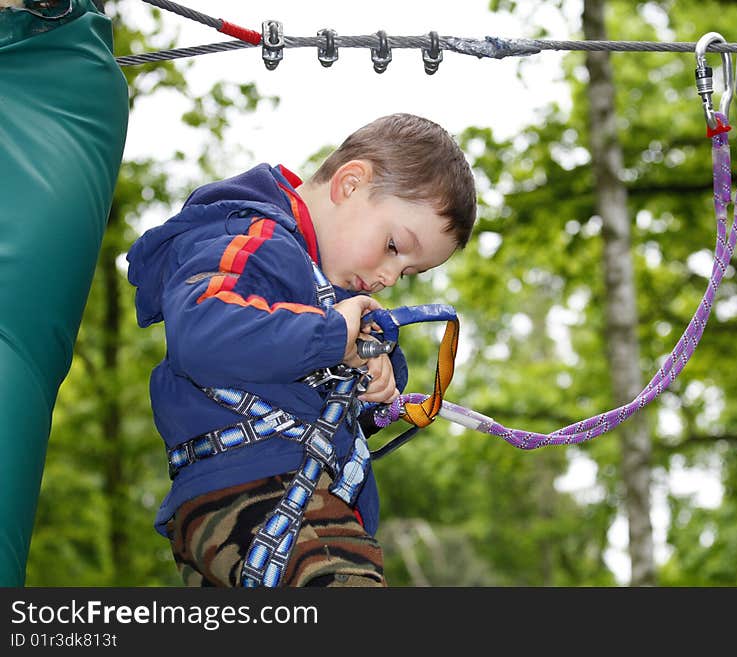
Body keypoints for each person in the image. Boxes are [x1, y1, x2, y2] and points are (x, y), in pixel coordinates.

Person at [126, 113, 477, 587]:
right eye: (394, 246)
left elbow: (299, 368)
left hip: (267, 502)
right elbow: (201, 327)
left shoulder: (319, 290)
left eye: (409, 273)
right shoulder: (256, 236)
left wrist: (374, 373)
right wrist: (331, 336)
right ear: (350, 184)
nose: (391, 278)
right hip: (260, 490)